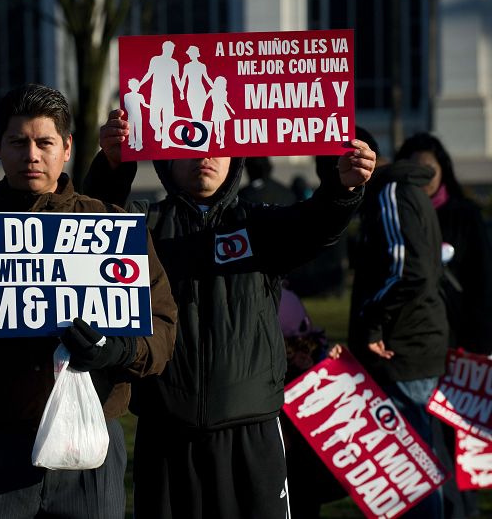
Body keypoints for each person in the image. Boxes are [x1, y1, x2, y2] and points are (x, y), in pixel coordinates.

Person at [0, 84, 177, 519]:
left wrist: (120, 349)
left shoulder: (115, 228)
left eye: (44, 142)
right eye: (18, 142)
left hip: (90, 441)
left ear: (67, 147)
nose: (32, 155)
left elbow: (163, 333)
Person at [87, 108, 375, 518]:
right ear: (167, 154)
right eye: (190, 141)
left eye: (217, 144)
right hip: (166, 434)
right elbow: (88, 224)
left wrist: (343, 191)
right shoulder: (143, 226)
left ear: (235, 156)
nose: (204, 153)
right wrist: (113, 165)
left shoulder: (260, 225)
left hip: (251, 432)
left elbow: (314, 225)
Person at [348, 129, 448, 518]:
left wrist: (371, 325)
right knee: (419, 467)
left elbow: (410, 271)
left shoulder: (390, 192)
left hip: (402, 347)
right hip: (415, 342)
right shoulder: (406, 191)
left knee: (410, 476)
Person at [395, 132, 492, 519]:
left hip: (460, 343)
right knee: (425, 438)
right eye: (415, 169)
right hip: (416, 345)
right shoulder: (399, 212)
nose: (423, 176)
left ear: (443, 171)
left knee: (460, 440)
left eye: (429, 170)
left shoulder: (464, 215)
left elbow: (483, 281)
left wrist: (481, 343)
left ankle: (459, 509)